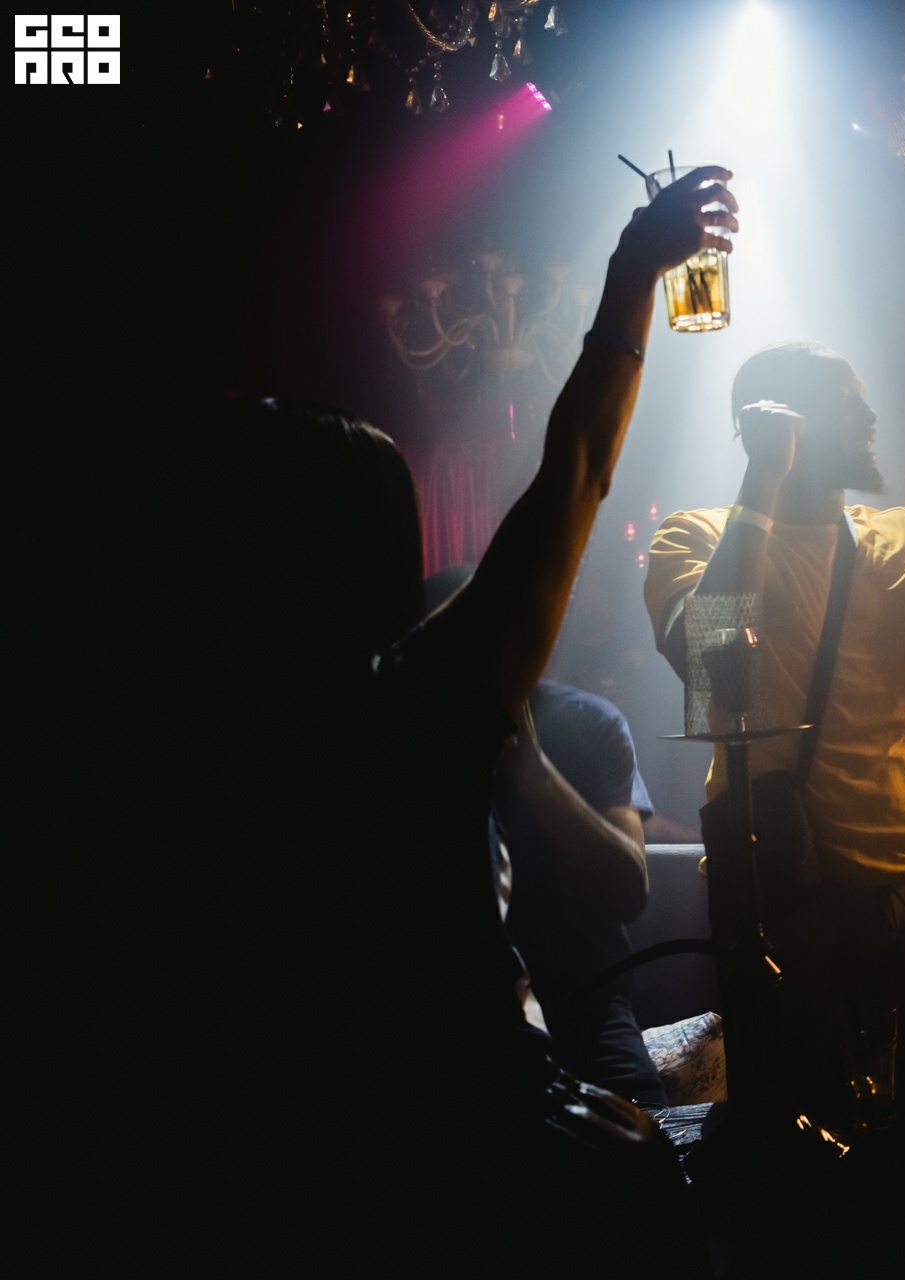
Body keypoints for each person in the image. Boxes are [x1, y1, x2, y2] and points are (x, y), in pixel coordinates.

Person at [35, 167, 738, 1262]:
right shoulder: (424, 695)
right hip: (468, 1143)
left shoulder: (138, 740)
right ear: (366, 551)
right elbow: (578, 467)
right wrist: (631, 273)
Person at [644, 346, 905, 1110]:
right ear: (779, 424)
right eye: (845, 402)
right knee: (806, 1133)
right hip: (791, 896)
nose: (869, 416)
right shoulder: (695, 535)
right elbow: (711, 670)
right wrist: (761, 481)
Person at [424, 563, 667, 1109]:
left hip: (584, 1005)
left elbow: (629, 889)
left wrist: (531, 770)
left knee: (648, 1132)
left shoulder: (589, 724)